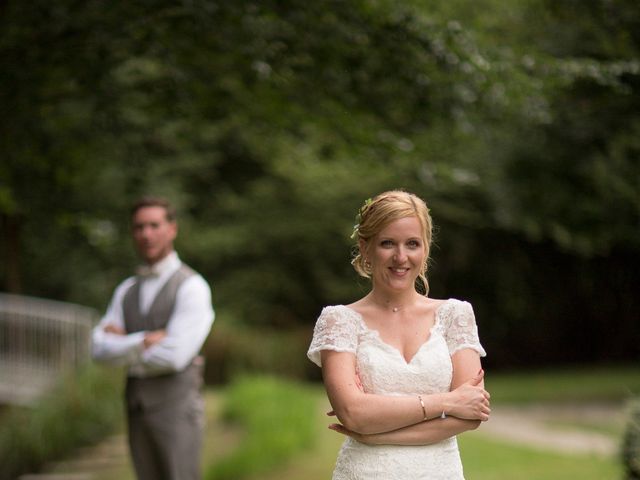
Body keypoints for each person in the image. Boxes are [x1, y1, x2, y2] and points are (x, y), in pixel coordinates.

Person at [307, 190, 490, 479]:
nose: (400, 257)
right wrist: (446, 402)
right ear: (365, 248)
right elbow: (353, 414)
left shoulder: (456, 315)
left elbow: (471, 414)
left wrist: (375, 435)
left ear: (426, 248)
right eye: (387, 243)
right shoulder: (340, 321)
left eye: (412, 244)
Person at [92, 196, 214, 480]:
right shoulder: (126, 289)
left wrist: (122, 344)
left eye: (154, 225)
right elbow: (98, 349)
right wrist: (143, 341)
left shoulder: (192, 287)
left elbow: (174, 356)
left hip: (178, 410)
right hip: (135, 409)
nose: (146, 234)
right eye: (139, 227)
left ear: (172, 229)